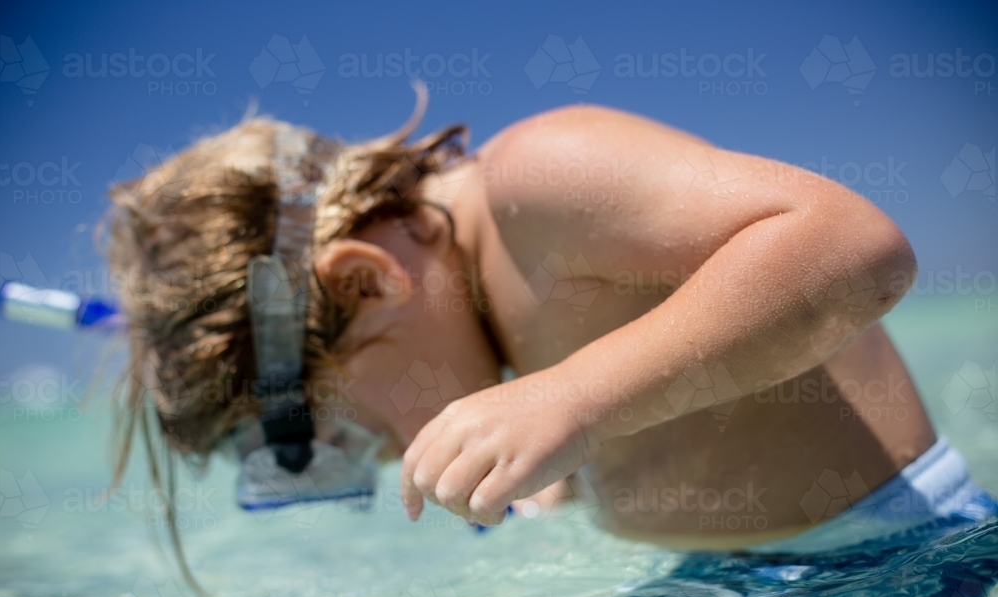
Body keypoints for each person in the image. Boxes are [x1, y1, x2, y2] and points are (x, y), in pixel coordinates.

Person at [104, 82, 991, 566]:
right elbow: (664, 403)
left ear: (367, 284)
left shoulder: (542, 177)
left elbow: (854, 249)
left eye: (343, 424)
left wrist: (574, 399)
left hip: (881, 558)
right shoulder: (494, 321)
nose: (371, 453)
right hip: (719, 582)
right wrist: (564, 466)